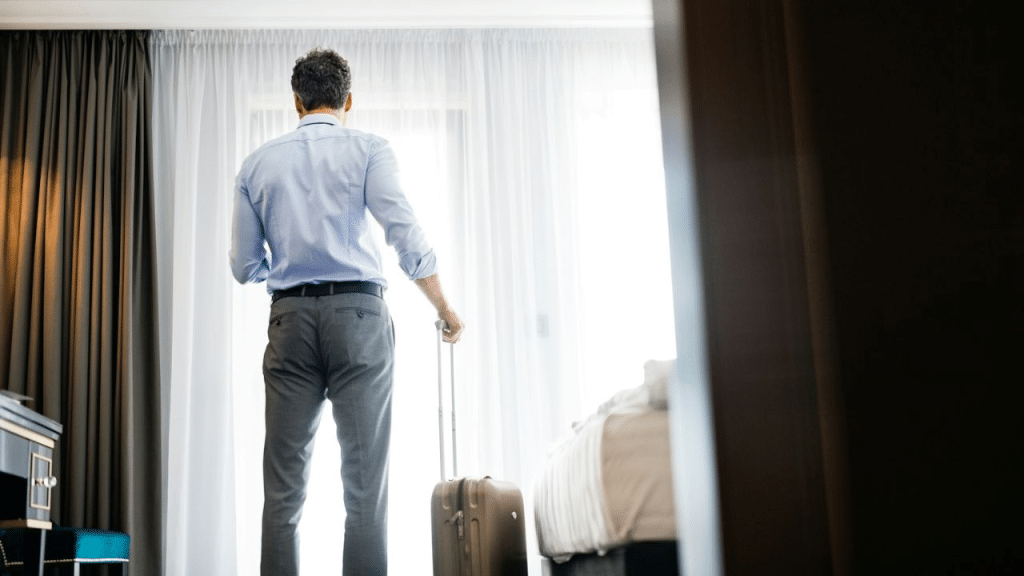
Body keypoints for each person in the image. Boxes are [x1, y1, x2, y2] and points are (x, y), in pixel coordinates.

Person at [230, 47, 464, 576]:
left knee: (283, 490)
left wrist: (287, 272)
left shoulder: (256, 164)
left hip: (289, 322)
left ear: (296, 102)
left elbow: (244, 266)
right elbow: (404, 235)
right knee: (365, 487)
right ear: (348, 100)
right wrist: (445, 307)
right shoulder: (369, 150)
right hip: (359, 318)